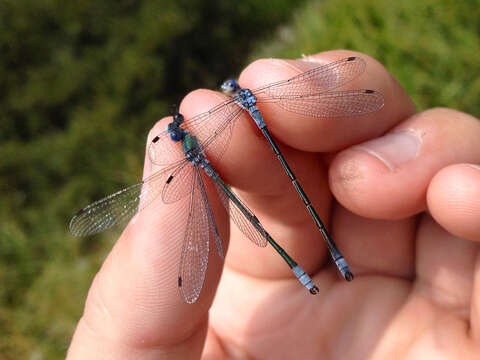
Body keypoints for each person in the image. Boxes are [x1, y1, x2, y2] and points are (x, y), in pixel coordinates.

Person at [66, 50, 480, 359]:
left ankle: (323, 263)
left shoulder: (216, 124)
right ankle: (324, 263)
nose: (178, 133)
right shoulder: (204, 140)